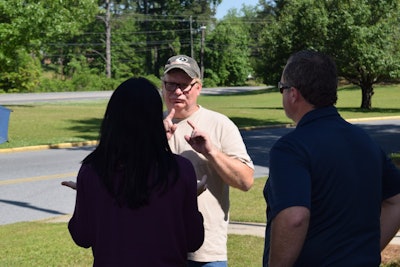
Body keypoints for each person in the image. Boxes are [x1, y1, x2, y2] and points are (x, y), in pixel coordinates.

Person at [263, 50, 400, 266]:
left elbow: (294, 218)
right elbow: (396, 201)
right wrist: (366, 251)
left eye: (281, 87)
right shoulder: (366, 141)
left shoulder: (290, 148)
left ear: (293, 93)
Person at [65, 77, 204, 266]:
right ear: (156, 119)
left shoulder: (92, 170)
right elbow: (193, 239)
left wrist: (88, 194)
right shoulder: (180, 170)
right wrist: (187, 195)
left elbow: (82, 236)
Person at [162, 55, 255, 266]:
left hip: (205, 252)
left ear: (198, 88)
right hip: (159, 247)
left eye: (184, 86)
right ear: (162, 85)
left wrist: (211, 151)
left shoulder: (220, 125)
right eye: (170, 85)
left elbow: (246, 181)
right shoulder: (149, 126)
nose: (177, 91)